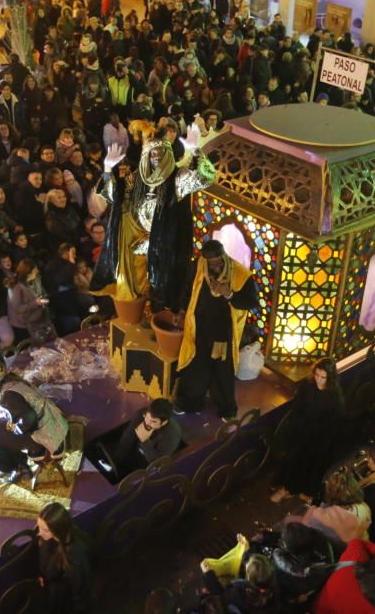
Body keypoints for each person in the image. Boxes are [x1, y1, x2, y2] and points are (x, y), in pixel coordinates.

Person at [91, 120, 218, 309]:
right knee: (135, 295)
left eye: (161, 152)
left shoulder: (176, 179)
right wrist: (108, 169)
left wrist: (195, 151)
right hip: (135, 248)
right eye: (152, 153)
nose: (156, 157)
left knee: (160, 295)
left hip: (164, 251)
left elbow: (205, 177)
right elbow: (113, 198)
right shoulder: (135, 180)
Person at [174, 240, 259, 420]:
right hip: (199, 329)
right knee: (196, 368)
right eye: (210, 262)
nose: (214, 266)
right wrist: (182, 311)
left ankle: (227, 410)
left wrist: (229, 294)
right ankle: (189, 403)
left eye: (217, 261)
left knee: (222, 372)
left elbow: (251, 302)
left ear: (224, 256)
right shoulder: (198, 267)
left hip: (223, 334)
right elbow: (187, 290)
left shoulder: (240, 275)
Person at [271, 357, 346, 503]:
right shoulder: (307, 386)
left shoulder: (334, 397)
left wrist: (323, 441)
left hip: (320, 438)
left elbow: (335, 422)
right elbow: (297, 409)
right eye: (316, 375)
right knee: (294, 460)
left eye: (323, 377)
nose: (318, 380)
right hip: (302, 431)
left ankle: (305, 490)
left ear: (329, 378)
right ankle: (287, 488)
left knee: (312, 465)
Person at [0, 371, 68, 483]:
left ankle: (17, 467)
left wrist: (16, 429)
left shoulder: (7, 396)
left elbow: (29, 421)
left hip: (46, 435)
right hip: (53, 423)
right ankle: (19, 463)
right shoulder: (13, 381)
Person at [34, 502, 92, 614]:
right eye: (39, 527)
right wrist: (43, 576)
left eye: (45, 530)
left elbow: (79, 594)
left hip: (64, 602)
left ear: (58, 528)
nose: (39, 533)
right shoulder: (54, 537)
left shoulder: (75, 557)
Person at [111, 398, 182, 476]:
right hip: (133, 456)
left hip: (147, 468)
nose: (147, 422)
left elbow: (157, 464)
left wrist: (145, 441)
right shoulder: (141, 414)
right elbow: (127, 439)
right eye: (147, 417)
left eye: (153, 421)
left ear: (164, 422)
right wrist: (115, 462)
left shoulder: (172, 434)